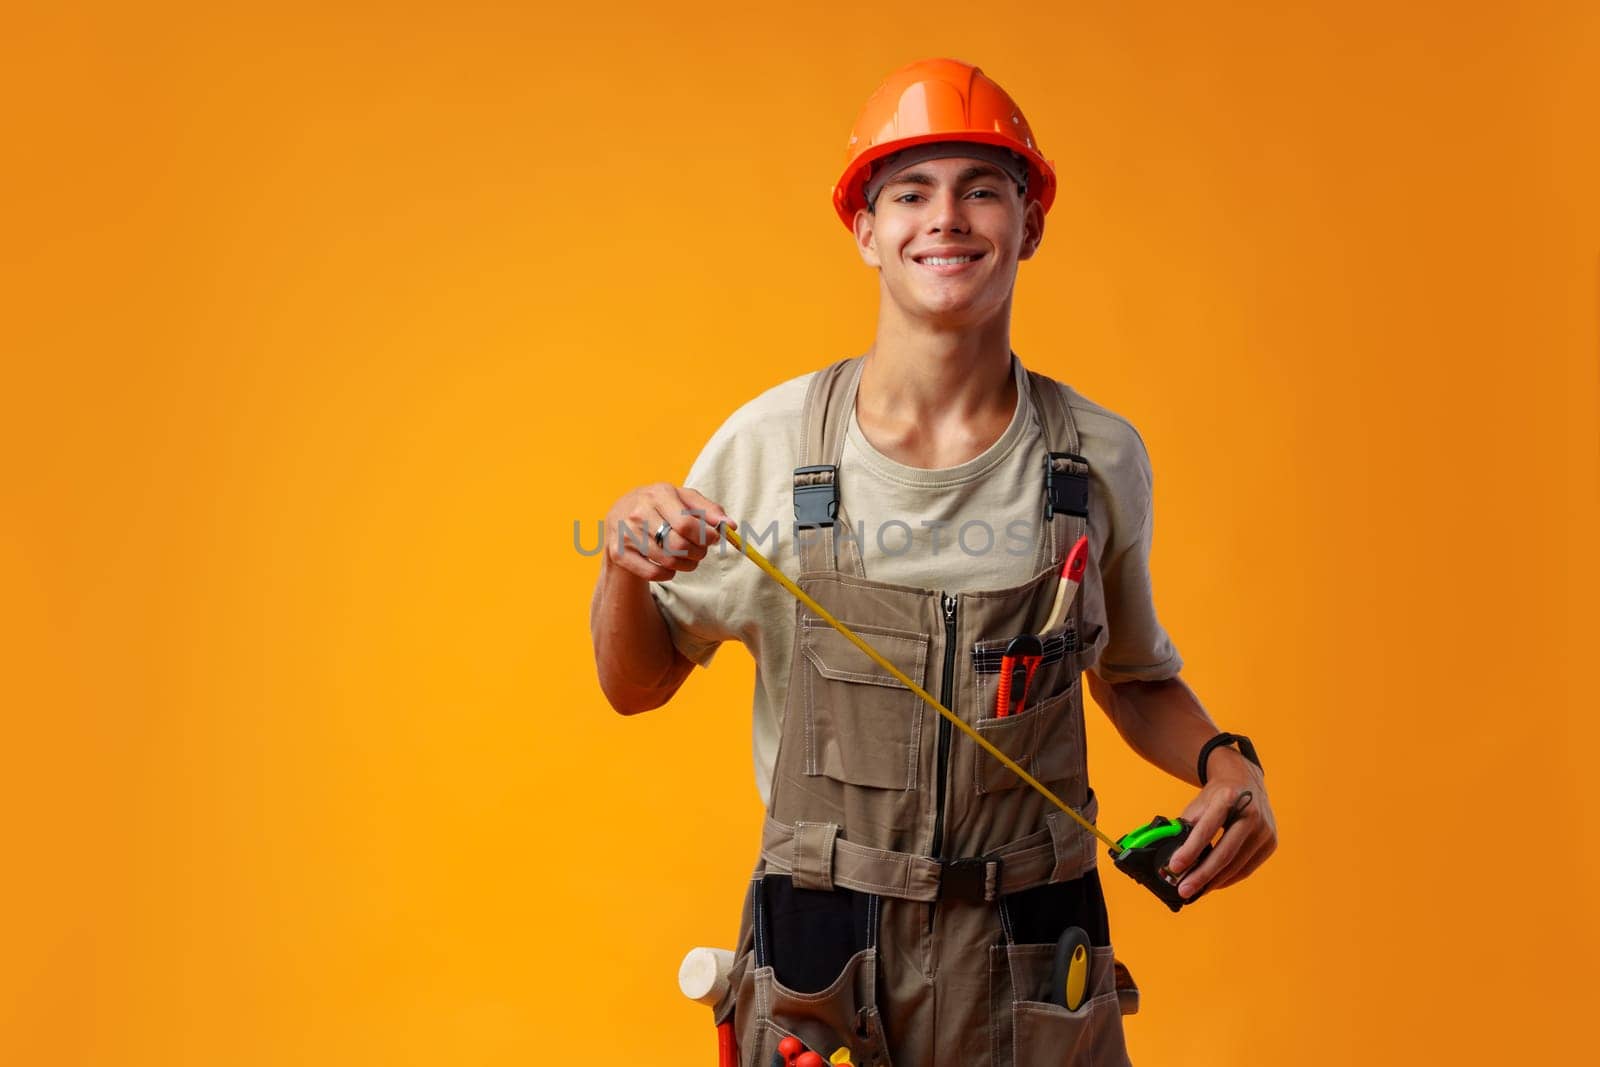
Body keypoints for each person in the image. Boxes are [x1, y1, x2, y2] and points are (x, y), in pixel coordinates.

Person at [590, 57, 1277, 1067]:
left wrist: (1230, 762)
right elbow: (634, 685)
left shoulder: (1096, 458)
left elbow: (1129, 674)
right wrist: (621, 561)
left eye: (981, 190)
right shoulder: (772, 448)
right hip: (827, 954)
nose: (944, 218)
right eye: (910, 192)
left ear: (1028, 224)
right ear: (865, 229)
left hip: (1036, 950)